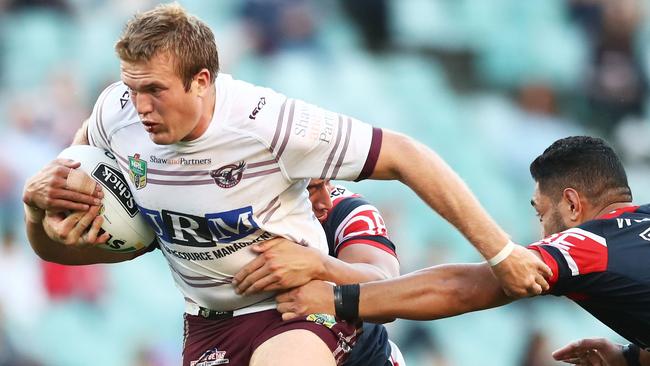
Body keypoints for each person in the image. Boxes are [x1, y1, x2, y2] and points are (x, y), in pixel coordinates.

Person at [21, 3, 550, 365]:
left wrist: (501, 252)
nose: (139, 107)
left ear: (202, 81)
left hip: (296, 310)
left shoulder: (267, 122)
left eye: (155, 90)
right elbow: (75, 249)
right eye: (130, 87)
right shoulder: (113, 119)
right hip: (207, 327)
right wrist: (33, 212)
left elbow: (408, 156)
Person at [276, 136, 650, 365]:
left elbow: (462, 287)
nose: (541, 230)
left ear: (571, 204)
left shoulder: (588, 244)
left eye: (540, 212)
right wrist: (631, 358)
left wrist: (337, 299)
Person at [233, 179, 405, 366]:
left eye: (327, 182)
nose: (326, 202)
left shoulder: (347, 210)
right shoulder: (223, 210)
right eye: (310, 188)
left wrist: (320, 265)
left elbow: (387, 290)